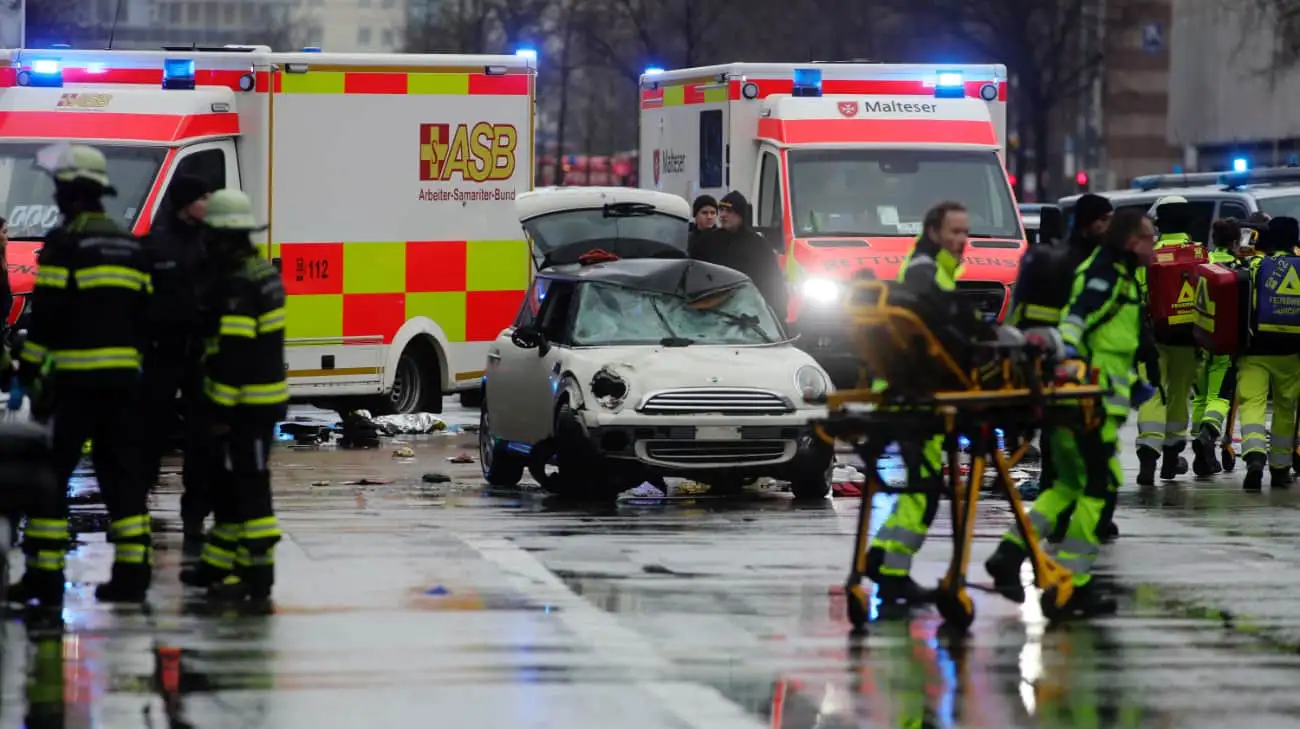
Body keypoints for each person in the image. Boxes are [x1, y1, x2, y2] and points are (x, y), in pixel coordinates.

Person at [986, 210, 1156, 616]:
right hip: (1087, 404)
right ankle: (1073, 581)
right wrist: (1074, 368)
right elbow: (1076, 324)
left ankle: (1009, 554)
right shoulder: (1108, 277)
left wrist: (1131, 382)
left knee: (1064, 487)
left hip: (1079, 399)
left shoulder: (1112, 273)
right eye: (1150, 237)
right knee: (1100, 487)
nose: (1154, 244)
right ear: (1132, 241)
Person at [13, 145, 153, 609]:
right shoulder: (129, 244)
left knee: (50, 478)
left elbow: (47, 318)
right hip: (125, 388)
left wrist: (31, 371)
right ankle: (132, 578)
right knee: (124, 480)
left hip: (74, 388)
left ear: (70, 192)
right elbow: (146, 318)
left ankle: (45, 580)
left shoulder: (64, 244)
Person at [863, 200, 972, 606]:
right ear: (933, 233)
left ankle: (880, 557)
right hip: (915, 397)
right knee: (924, 489)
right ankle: (892, 574)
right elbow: (940, 335)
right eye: (954, 232)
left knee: (920, 486)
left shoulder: (930, 270)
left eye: (965, 233)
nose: (962, 240)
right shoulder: (927, 276)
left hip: (910, 393)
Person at [181, 189, 287, 605]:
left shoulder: (240, 283)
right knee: (228, 486)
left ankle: (258, 577)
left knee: (249, 487)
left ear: (224, 237)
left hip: (246, 406)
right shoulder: (261, 272)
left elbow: (234, 353)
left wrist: (221, 408)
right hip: (256, 402)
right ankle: (218, 563)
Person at [1006, 193, 1119, 542]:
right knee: (1086, 450)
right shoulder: (1088, 266)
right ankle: (1089, 519)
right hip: (1074, 370)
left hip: (1061, 367)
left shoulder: (1052, 260)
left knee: (1067, 449)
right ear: (1091, 223)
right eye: (1105, 220)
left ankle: (1068, 518)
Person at [139, 175, 214, 541]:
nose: (209, 201)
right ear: (186, 202)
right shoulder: (156, 245)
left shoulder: (211, 243)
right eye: (203, 196)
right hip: (162, 351)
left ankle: (196, 510)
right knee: (150, 428)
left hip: (199, 355)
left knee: (201, 436)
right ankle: (138, 498)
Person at [1134, 196, 1200, 485]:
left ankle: (1148, 458)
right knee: (1179, 396)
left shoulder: (1148, 255)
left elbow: (1137, 292)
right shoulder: (1200, 254)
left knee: (1153, 393)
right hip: (1188, 338)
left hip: (1154, 336)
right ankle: (1171, 460)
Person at [1234, 216, 1300, 491]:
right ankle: (1280, 468)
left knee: (1252, 404)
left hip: (1255, 350)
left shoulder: (1255, 265)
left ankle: (1254, 455)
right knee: (1286, 408)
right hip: (1293, 353)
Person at [1189, 218, 1245, 475]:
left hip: (1199, 342)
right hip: (1225, 346)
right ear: (1235, 242)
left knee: (1200, 398)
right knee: (1219, 397)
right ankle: (1209, 433)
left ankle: (1202, 455)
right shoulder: (1239, 267)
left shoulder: (1202, 264)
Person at [687, 190, 788, 320]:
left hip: (749, 315)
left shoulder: (758, 246)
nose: (722, 215)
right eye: (721, 210)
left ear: (741, 216)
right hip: (713, 315)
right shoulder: (707, 241)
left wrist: (778, 315)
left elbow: (773, 283)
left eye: (729, 211)